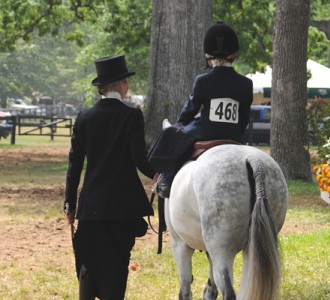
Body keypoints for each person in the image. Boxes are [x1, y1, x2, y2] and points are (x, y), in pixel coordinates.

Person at [64, 54, 155, 300]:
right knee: (116, 265)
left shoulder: (84, 118)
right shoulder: (131, 116)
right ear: (122, 85)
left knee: (89, 263)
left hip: (91, 206)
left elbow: (74, 167)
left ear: (101, 88)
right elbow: (139, 159)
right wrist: (158, 173)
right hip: (121, 208)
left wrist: (70, 204)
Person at [148, 22, 253, 198]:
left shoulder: (202, 80)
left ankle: (166, 181)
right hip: (233, 133)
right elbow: (244, 116)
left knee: (172, 133)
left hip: (206, 132)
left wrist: (180, 123)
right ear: (233, 55)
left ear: (207, 55)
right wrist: (235, 133)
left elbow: (190, 109)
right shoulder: (245, 83)